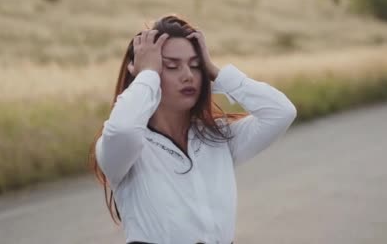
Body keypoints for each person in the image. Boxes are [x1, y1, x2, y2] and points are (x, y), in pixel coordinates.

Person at [90, 15, 297, 244]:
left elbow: (281, 112)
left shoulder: (216, 137)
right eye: (171, 66)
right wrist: (146, 75)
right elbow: (123, 131)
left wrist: (216, 72)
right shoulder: (123, 148)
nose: (188, 75)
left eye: (195, 65)